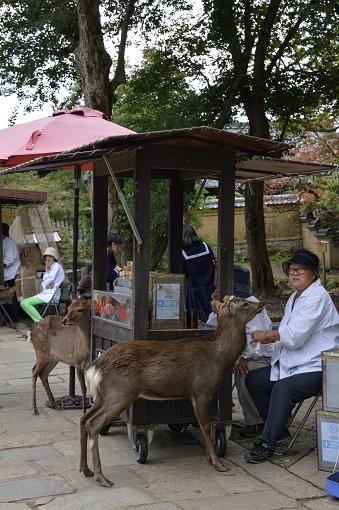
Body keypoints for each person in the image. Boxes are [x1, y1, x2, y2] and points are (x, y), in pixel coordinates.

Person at [244, 249, 339, 464]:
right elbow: (289, 332)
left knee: (282, 388)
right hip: (294, 363)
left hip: (317, 367)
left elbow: (295, 336)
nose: (294, 273)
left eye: (300, 269)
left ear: (313, 274)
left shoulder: (317, 296)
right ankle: (279, 429)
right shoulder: (296, 297)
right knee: (255, 379)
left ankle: (267, 444)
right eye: (291, 270)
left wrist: (266, 335)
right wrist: (269, 339)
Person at [207, 265, 272, 437]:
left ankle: (256, 420)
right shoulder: (228, 302)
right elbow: (212, 325)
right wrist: (216, 307)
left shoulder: (250, 304)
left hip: (256, 356)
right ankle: (210, 413)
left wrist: (244, 357)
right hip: (230, 353)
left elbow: (256, 339)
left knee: (244, 371)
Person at [20, 247, 65, 323]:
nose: (48, 258)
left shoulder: (56, 266)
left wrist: (47, 271)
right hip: (46, 293)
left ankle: (40, 323)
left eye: (50, 256)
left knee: (26, 303)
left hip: (52, 295)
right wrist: (46, 284)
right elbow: (43, 284)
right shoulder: (51, 267)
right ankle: (40, 322)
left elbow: (47, 281)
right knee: (23, 302)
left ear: (54, 257)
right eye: (46, 256)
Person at [182, 224, 215, 323]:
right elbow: (213, 264)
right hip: (209, 288)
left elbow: (183, 272)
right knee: (210, 313)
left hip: (193, 290)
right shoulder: (206, 246)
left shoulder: (183, 252)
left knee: (195, 318)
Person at [1, 222, 21, 323]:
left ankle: (13, 316)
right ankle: (6, 316)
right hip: (4, 274)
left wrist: (2, 264)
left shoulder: (10, 242)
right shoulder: (3, 242)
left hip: (10, 274)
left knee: (10, 295)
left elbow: (10, 259)